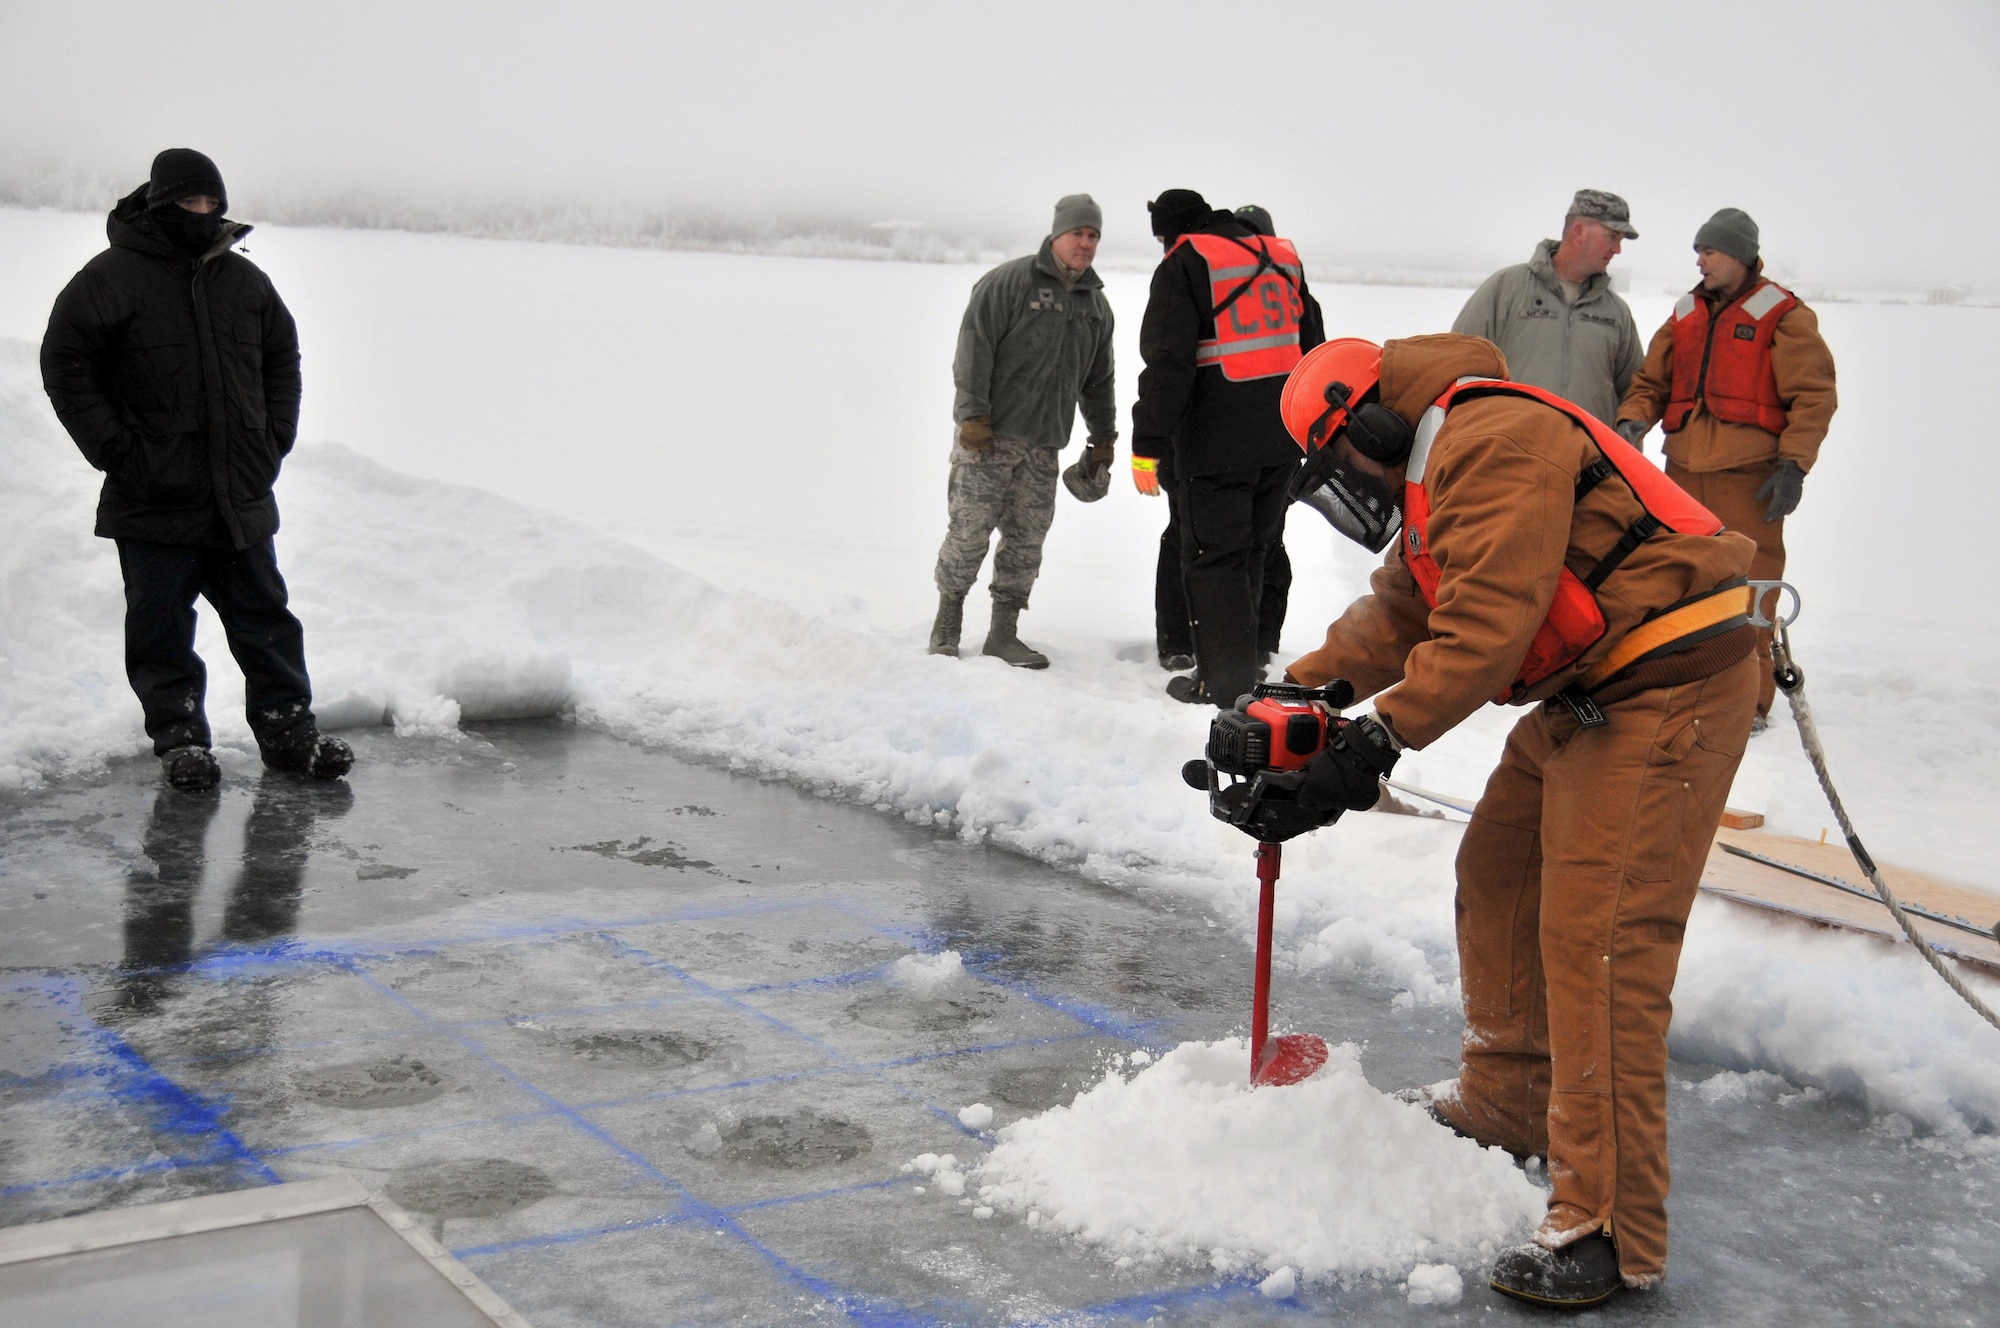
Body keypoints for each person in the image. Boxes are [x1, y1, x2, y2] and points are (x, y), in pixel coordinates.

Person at [1273, 334, 1761, 1307]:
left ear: (1370, 422)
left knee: (1601, 943)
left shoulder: (1492, 438)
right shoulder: (1438, 464)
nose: (1343, 491)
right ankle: (1508, 1095)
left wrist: (1374, 743)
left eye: (1339, 463)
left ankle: (1610, 1228)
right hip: (1594, 689)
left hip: (1665, 688)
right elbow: (1406, 608)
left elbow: (1489, 622)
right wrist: (1293, 698)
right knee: (1497, 868)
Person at [41, 149, 353, 792]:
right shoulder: (109, 279)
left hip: (237, 490)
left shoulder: (245, 282)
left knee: (267, 621)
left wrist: (272, 439)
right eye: (190, 202)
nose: (204, 213)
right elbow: (66, 366)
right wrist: (119, 452)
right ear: (161, 202)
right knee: (161, 630)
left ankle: (292, 736)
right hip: (152, 494)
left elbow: (281, 360)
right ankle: (180, 743)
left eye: (213, 203)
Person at [1616, 208, 1836, 731]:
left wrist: (1793, 466)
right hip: (1682, 476)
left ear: (1738, 255)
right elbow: (1652, 382)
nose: (1700, 261)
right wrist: (1631, 423)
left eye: (1709, 251)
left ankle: (1752, 702)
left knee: (1752, 587)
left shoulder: (1786, 315)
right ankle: (1677, 683)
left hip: (1750, 479)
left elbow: (1814, 396)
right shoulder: (1685, 312)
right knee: (1677, 582)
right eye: (1698, 251)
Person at [1132, 189, 1323, 704]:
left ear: (1171, 232)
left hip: (1215, 442)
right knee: (1253, 554)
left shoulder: (1185, 262)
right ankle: (1247, 669)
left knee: (1214, 560)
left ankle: (1222, 684)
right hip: (1282, 438)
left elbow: (1169, 363)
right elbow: (1313, 347)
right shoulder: (1279, 256)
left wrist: (1147, 442)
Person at [929, 194, 1117, 668]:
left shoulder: (1096, 306)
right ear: (1058, 234)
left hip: (1044, 444)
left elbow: (1100, 379)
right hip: (989, 438)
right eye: (1079, 233)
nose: (1086, 243)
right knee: (969, 532)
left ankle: (1003, 633)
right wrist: (972, 415)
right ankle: (947, 622)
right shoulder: (1009, 283)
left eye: (1093, 235)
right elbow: (974, 348)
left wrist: (1103, 439)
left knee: (1026, 543)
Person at [1452, 189, 1645, 427]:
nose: (1618, 249)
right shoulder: (1506, 289)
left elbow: (1636, 392)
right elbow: (1457, 364)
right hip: (1510, 453)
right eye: (1612, 236)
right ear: (1579, 231)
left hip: (1587, 460)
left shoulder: (1616, 312)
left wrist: (1626, 442)